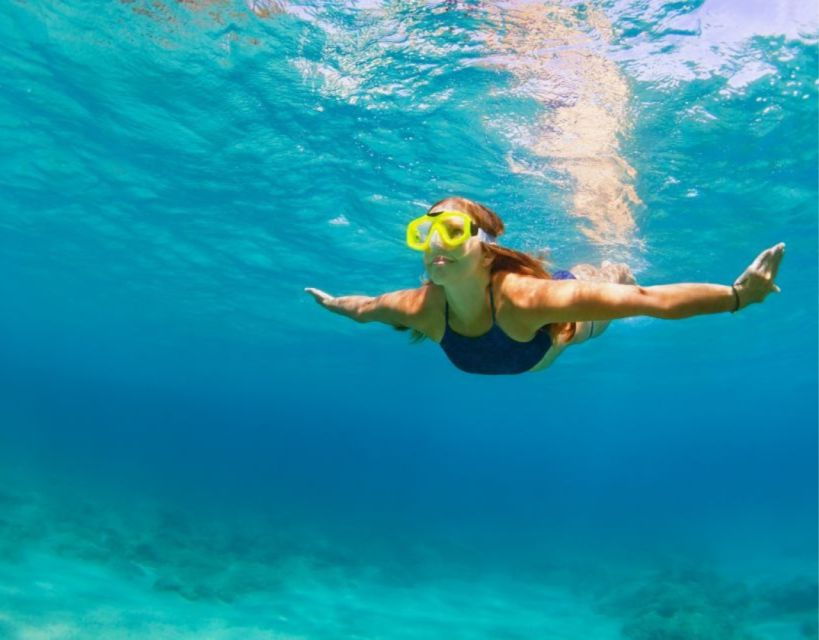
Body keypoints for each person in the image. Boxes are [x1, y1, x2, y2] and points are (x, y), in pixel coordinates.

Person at [305, 197, 785, 375]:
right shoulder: (422, 307)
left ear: (485, 247)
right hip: (533, 319)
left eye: (450, 230)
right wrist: (334, 305)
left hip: (563, 326)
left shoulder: (526, 299)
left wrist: (738, 296)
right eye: (422, 233)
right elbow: (366, 308)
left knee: (611, 283)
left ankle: (612, 261)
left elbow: (648, 301)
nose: (434, 243)